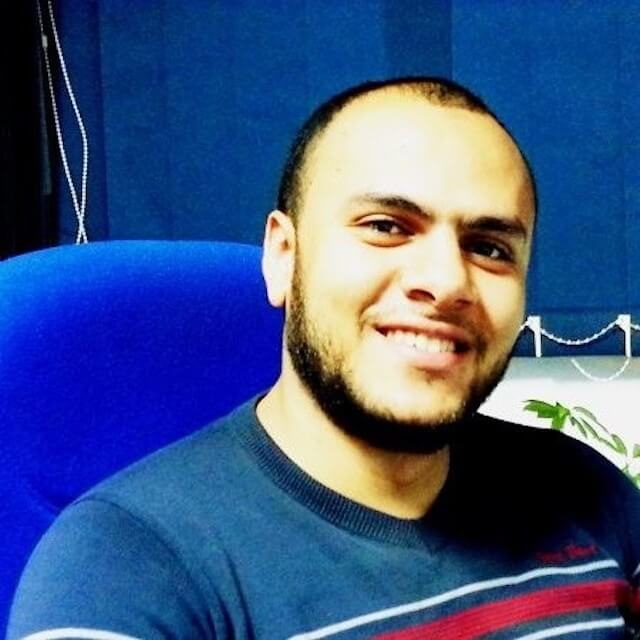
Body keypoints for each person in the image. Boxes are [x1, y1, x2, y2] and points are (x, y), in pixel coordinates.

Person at [8, 77, 640, 639]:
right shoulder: (123, 567)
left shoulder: (584, 491)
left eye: (490, 248)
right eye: (386, 226)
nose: (447, 282)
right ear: (283, 256)